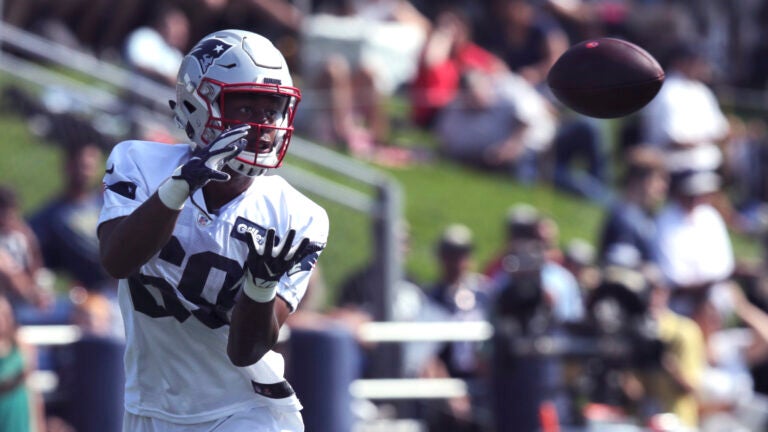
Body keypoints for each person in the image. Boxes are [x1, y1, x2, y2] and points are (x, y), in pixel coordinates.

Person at [97, 29, 328, 432]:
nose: (262, 124)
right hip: (151, 402)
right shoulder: (141, 163)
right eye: (245, 108)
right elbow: (118, 261)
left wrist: (260, 285)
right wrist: (179, 187)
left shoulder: (296, 216)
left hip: (245, 409)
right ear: (195, 104)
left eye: (271, 109)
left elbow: (246, 351)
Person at [597, 146, 668, 266]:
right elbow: (620, 263)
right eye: (657, 180)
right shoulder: (622, 218)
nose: (662, 188)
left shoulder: (646, 216)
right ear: (638, 182)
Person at [0, 293, 46, 432]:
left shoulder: (21, 346)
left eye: (3, 314)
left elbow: (33, 391)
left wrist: (39, 426)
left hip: (20, 413)